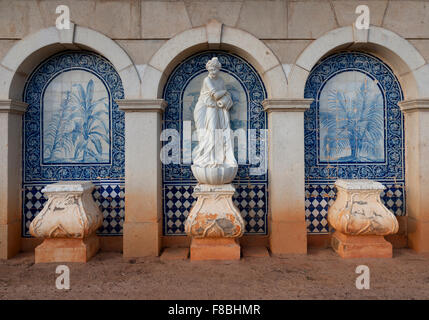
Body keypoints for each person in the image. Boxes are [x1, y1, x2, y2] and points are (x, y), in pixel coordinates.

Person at [192, 57, 237, 168]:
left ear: (218, 69)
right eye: (210, 70)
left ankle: (215, 158)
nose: (212, 72)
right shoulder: (207, 80)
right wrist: (225, 92)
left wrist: (224, 97)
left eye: (214, 69)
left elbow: (219, 97)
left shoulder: (220, 81)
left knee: (217, 131)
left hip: (214, 107)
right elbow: (216, 95)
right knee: (205, 133)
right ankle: (206, 158)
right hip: (203, 108)